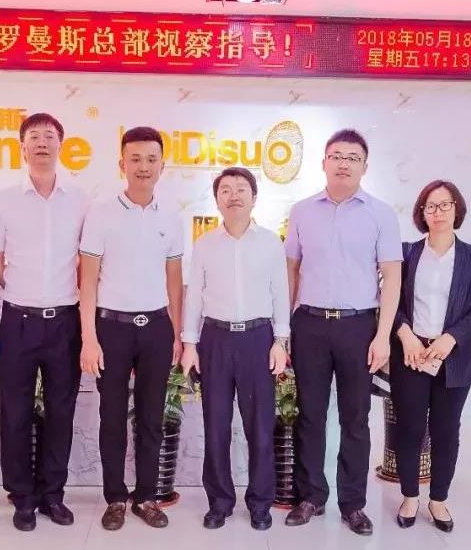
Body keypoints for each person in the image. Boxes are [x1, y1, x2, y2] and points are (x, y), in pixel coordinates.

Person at [283, 129, 402, 536]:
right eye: (336, 155)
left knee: (355, 418)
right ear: (323, 162)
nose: (344, 163)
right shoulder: (302, 211)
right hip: (310, 324)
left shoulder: (381, 214)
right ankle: (311, 496)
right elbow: (290, 270)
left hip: (358, 325)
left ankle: (353, 504)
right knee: (310, 415)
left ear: (365, 166)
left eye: (353, 157)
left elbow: (392, 276)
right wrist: (284, 329)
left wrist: (382, 336)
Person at [0, 113, 89, 532]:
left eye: (49, 136)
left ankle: (53, 495)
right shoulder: (4, 199)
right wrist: (19, 288)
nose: (42, 143)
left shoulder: (80, 200)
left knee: (62, 410)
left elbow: (89, 259)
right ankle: (22, 497)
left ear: (61, 145)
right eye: (34, 136)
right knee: (15, 411)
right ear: (22, 146)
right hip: (19, 320)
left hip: (65, 320)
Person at [79, 126, 183, 531]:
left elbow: (174, 281)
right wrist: (89, 338)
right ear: (121, 164)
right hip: (112, 328)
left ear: (162, 165)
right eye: (135, 159)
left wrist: (176, 334)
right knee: (111, 418)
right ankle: (115, 498)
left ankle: (146, 497)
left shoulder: (171, 218)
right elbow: (88, 280)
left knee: (152, 417)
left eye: (151, 159)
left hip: (156, 327)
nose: (143, 166)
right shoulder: (101, 213)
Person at [180, 167, 289, 531]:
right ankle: (220, 502)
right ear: (217, 200)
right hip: (215, 339)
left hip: (258, 339)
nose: (234, 195)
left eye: (242, 188)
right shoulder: (204, 244)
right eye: (225, 189)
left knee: (260, 427)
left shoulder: (271, 243)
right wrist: (189, 344)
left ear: (254, 197)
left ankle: (260, 502)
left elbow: (280, 293)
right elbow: (194, 296)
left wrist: (280, 341)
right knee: (216, 425)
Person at [390, 180, 471, 533]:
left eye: (445, 204)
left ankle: (438, 499)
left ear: (456, 209)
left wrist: (451, 338)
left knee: (446, 430)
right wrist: (405, 335)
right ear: (422, 213)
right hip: (412, 354)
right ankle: (409, 496)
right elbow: (390, 302)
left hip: (452, 356)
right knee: (410, 428)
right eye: (430, 206)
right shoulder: (406, 254)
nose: (438, 212)